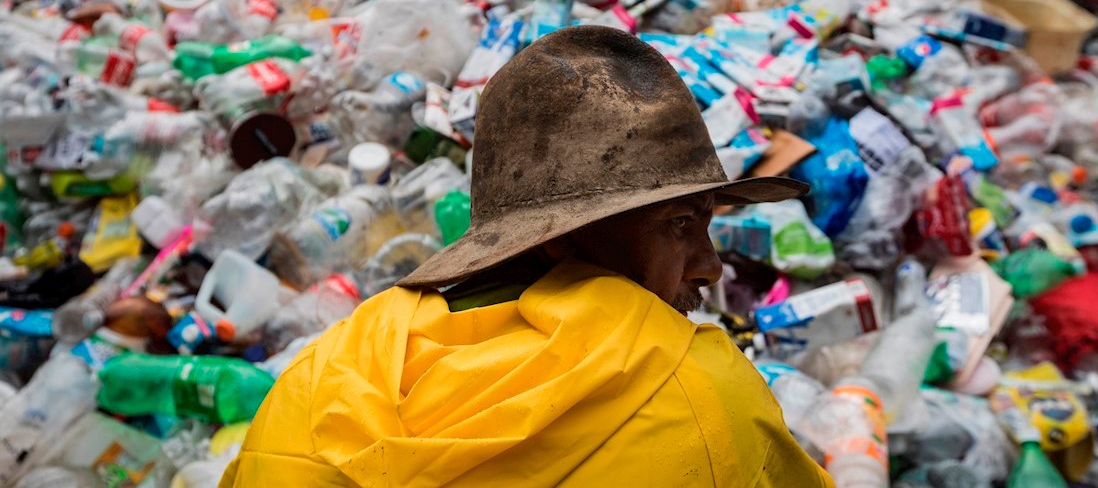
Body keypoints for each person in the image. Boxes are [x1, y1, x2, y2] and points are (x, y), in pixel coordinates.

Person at [221, 26, 833, 486]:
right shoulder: (703, 395)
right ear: (559, 235)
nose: (711, 266)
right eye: (679, 224)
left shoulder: (320, 376)